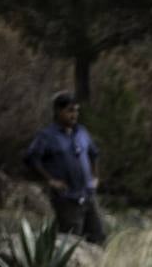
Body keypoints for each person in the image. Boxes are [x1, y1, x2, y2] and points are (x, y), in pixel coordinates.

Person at [24, 90, 106, 244]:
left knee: (98, 236)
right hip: (67, 198)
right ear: (58, 111)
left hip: (87, 195)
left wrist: (95, 177)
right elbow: (31, 159)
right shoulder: (47, 136)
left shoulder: (81, 132)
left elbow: (94, 153)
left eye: (76, 111)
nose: (74, 115)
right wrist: (50, 180)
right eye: (70, 110)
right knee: (71, 241)